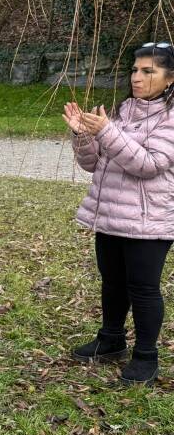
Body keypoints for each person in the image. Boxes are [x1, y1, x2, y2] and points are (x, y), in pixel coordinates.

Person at [65, 41, 174, 387]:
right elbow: (94, 164)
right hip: (110, 214)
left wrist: (106, 132)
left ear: (170, 79)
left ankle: (146, 357)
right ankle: (111, 340)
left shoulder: (170, 117)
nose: (137, 78)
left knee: (142, 288)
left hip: (149, 220)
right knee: (112, 282)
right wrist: (83, 136)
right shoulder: (123, 110)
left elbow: (149, 164)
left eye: (148, 71)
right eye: (134, 70)